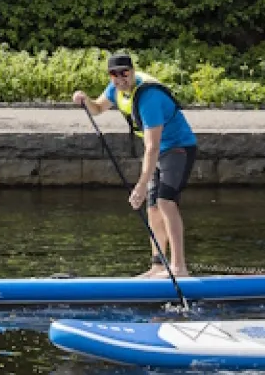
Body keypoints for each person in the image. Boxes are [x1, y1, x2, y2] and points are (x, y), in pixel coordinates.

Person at [73, 52, 197, 279]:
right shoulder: (115, 89)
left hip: (178, 148)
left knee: (166, 201)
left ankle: (179, 267)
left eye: (125, 73)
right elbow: (97, 108)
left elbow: (152, 146)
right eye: (114, 74)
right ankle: (159, 265)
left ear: (132, 71)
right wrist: (85, 100)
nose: (120, 78)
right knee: (152, 208)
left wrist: (140, 186)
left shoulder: (149, 97)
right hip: (159, 151)